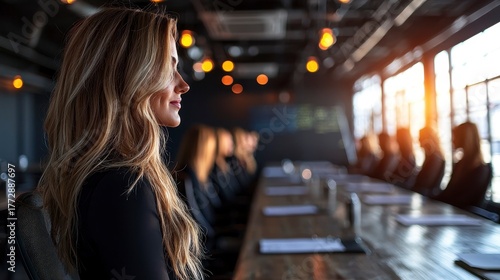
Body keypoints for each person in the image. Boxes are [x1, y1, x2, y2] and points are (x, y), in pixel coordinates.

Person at [37, 8, 203, 280]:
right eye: (169, 66)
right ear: (129, 76)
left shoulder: (117, 179)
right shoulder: (122, 187)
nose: (183, 84)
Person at [433, 122, 492, 209]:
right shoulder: (460, 165)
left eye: (455, 136)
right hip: (452, 212)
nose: (453, 140)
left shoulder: (480, 169)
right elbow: (446, 194)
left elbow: (464, 200)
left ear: (465, 138)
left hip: (463, 216)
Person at [411, 126, 445, 196]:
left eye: (421, 137)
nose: (418, 139)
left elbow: (424, 184)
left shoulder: (435, 158)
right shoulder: (430, 157)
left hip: (426, 200)